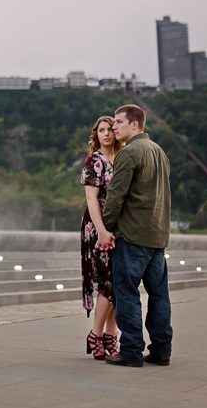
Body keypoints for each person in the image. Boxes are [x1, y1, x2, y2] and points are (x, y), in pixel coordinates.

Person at [100, 104, 173, 367]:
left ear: (135, 124)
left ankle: (131, 351)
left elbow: (115, 196)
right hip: (157, 236)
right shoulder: (159, 152)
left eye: (119, 122)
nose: (115, 126)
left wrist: (105, 229)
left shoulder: (129, 152)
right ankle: (162, 351)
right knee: (159, 295)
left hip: (132, 236)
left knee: (127, 294)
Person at [79, 116, 121, 360]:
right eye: (101, 130)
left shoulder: (122, 158)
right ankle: (97, 334)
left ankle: (110, 335)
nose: (106, 134)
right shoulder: (94, 160)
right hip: (98, 226)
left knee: (118, 282)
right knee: (107, 282)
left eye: (110, 129)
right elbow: (91, 198)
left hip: (118, 226)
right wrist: (102, 231)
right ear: (96, 134)